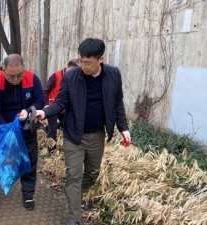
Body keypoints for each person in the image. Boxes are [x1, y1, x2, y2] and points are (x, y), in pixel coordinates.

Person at [36, 38, 131, 225]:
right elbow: (61, 102)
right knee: (74, 175)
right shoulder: (71, 77)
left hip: (97, 134)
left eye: (88, 62)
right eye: (81, 61)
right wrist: (43, 112)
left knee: (93, 173)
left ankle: (74, 193)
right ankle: (74, 219)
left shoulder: (113, 75)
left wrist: (123, 128)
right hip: (74, 135)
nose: (83, 66)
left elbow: (117, 103)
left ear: (100, 59)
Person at [0, 54, 45, 211]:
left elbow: (41, 101)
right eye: (11, 76)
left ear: (24, 69)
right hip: (4, 130)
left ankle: (28, 194)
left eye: (19, 75)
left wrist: (27, 111)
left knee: (28, 161)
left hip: (27, 127)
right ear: (3, 70)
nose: (15, 79)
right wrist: (6, 131)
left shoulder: (32, 79)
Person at [43, 59, 78, 154]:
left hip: (64, 108)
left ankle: (46, 128)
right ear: (68, 68)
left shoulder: (74, 78)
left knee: (66, 126)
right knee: (52, 131)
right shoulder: (56, 76)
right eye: (72, 71)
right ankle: (51, 152)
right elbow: (45, 90)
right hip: (52, 107)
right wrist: (46, 105)